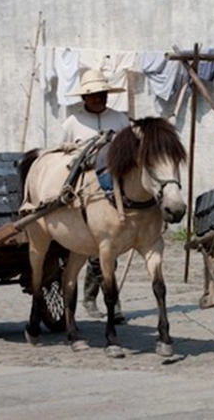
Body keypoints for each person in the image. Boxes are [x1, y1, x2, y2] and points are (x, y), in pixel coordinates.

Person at [62, 69, 130, 322]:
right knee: (99, 252)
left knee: (110, 251)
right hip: (84, 195)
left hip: (115, 192)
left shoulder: (120, 120)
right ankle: (97, 299)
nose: (98, 99)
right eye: (93, 96)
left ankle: (100, 297)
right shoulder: (72, 123)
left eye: (102, 94)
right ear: (84, 99)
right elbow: (63, 158)